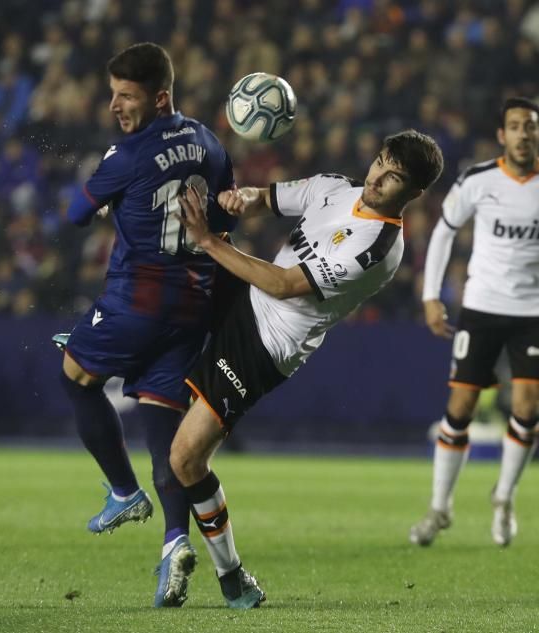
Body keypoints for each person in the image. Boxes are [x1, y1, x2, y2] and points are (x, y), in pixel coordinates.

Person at [165, 130, 444, 608]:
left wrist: (211, 241)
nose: (377, 176)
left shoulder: (377, 249)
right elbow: (267, 199)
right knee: (172, 252)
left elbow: (286, 284)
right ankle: (106, 347)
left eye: (394, 176)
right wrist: (241, 198)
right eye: (380, 161)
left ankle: (231, 574)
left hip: (265, 345)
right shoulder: (336, 187)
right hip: (243, 297)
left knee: (186, 459)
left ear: (414, 193)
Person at [57, 42, 236, 608]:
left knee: (74, 375)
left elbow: (74, 214)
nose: (115, 105)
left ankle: (123, 490)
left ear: (160, 97)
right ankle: (173, 547)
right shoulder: (209, 142)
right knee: (169, 437)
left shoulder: (126, 155)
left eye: (127, 96)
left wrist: (114, 198)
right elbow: (224, 219)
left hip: (137, 302)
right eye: (112, 94)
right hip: (193, 310)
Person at [409, 97, 539, 548]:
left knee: (528, 408)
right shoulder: (477, 180)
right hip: (483, 305)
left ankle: (504, 498)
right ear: (502, 135)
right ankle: (440, 508)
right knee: (461, 409)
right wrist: (431, 295)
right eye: (514, 126)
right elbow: (443, 232)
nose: (523, 133)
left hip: (535, 309)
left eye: (531, 126)